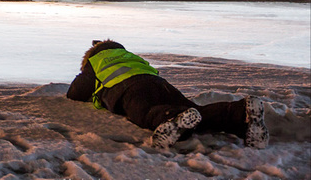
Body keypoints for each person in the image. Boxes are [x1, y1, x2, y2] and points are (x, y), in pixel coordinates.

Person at [66, 40, 268, 148]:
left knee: (146, 112)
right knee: (194, 111)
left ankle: (171, 119)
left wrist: (85, 72)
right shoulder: (130, 56)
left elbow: (76, 93)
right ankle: (241, 113)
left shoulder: (97, 61)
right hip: (160, 84)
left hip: (128, 89)